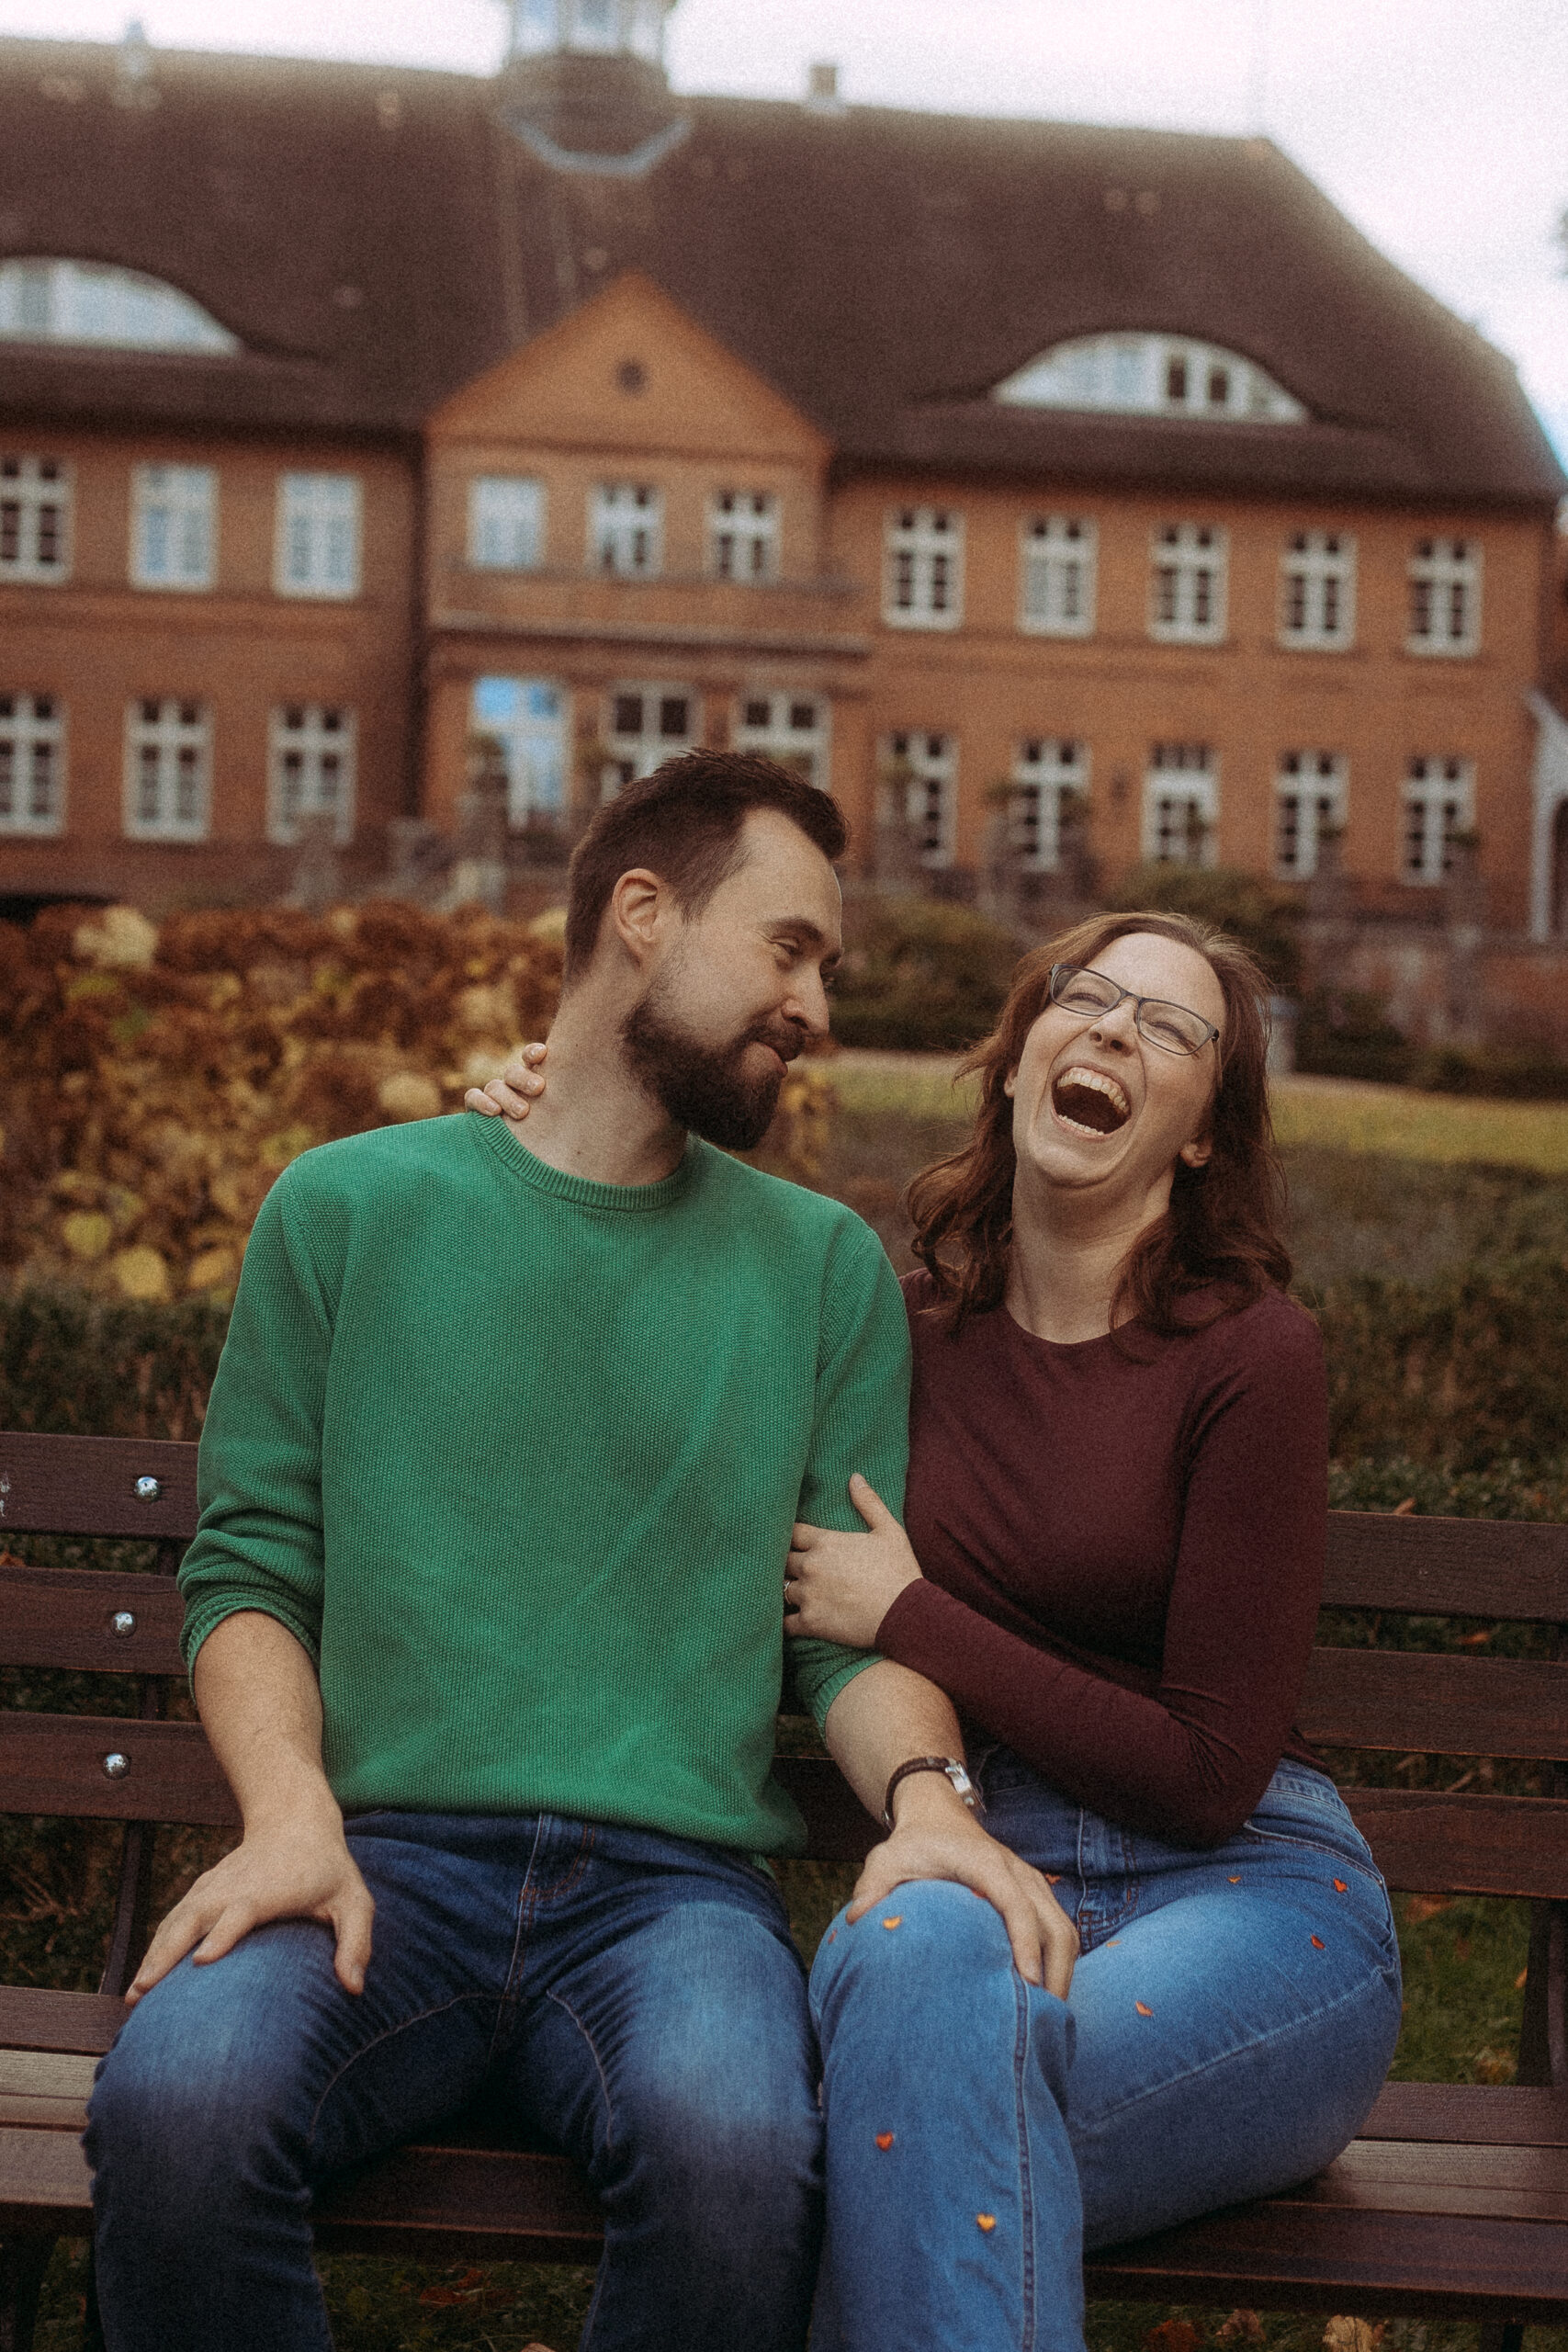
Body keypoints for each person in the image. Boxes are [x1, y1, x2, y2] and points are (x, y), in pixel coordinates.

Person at [85, 751, 1069, 2352]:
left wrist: (927, 1806)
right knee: (177, 2108)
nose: (815, 1007)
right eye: (790, 947)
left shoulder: (821, 1272)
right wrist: (287, 1814)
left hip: (668, 1902)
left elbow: (843, 1631)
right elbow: (250, 1568)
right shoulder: (347, 1210)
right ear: (640, 915)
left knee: (741, 2155)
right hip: (375, 1858)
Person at [479, 911, 1403, 2352]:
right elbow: (659, 1278)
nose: (1110, 1032)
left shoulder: (1250, 1355)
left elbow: (1209, 1771)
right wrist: (561, 1120)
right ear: (1021, 1055)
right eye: (1084, 999)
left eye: (1169, 1028)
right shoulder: (889, 1328)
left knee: (898, 2121)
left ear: (1207, 1132)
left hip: (1247, 1903)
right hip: (959, 1865)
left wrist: (912, 1615)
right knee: (922, 2024)